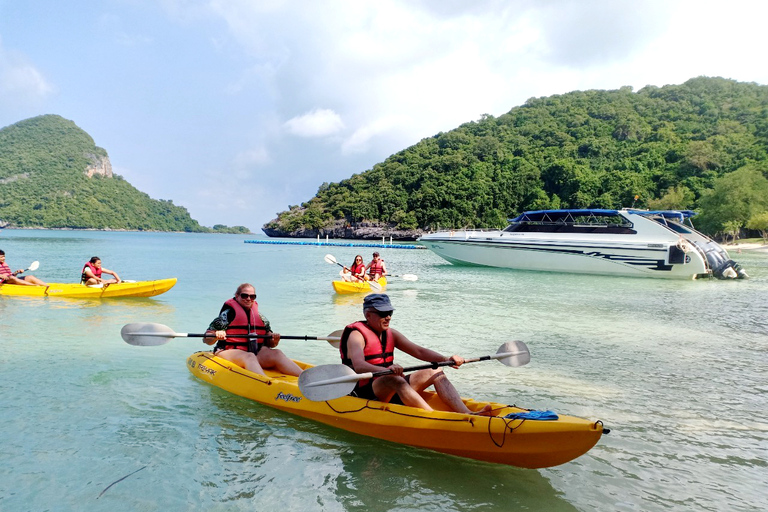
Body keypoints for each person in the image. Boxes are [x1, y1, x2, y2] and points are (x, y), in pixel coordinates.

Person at [339, 293, 492, 415]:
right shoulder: (356, 335)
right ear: (368, 315)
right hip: (366, 392)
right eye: (382, 313)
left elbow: (419, 351)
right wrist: (387, 371)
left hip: (390, 386)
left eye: (390, 312)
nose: (388, 317)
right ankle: (433, 417)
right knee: (394, 378)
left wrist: (446, 359)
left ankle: (468, 413)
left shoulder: (391, 334)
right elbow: (359, 366)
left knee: (435, 371)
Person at [204, 283, 302, 377]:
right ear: (237, 296)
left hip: (254, 354)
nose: (248, 299)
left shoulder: (261, 318)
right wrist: (216, 335)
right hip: (228, 351)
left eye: (252, 296)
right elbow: (206, 339)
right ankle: (265, 383)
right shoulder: (227, 316)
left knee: (277, 353)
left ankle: (305, 378)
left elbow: (270, 343)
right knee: (249, 356)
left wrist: (274, 341)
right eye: (244, 296)